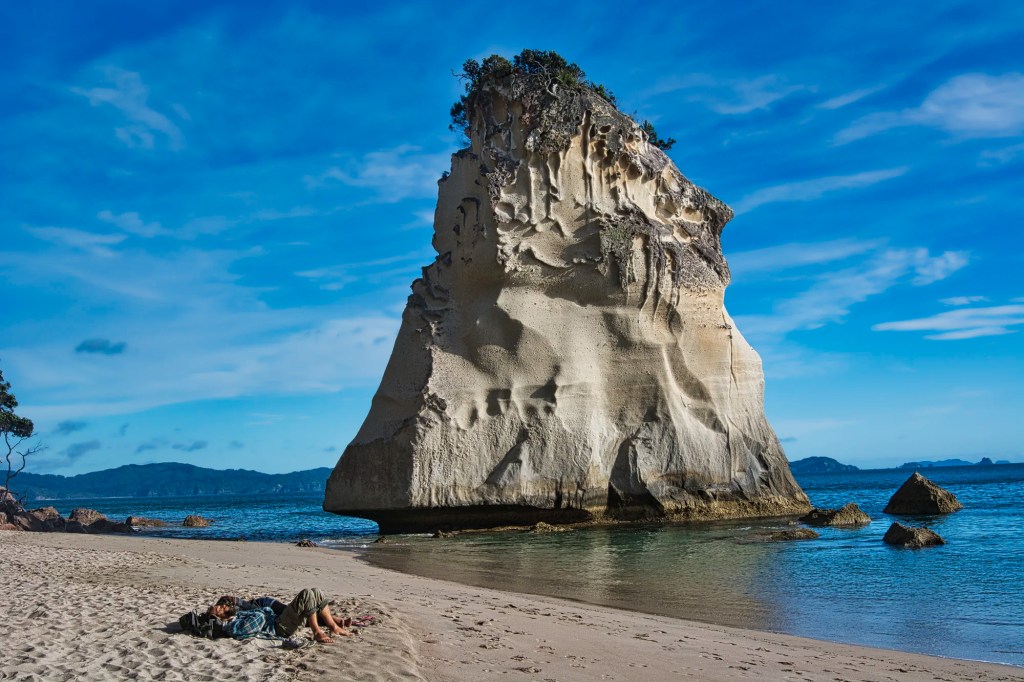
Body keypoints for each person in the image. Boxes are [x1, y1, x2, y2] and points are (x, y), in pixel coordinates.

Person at [209, 588, 353, 643]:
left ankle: (333, 626)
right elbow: (258, 621)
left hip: (277, 620)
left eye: (222, 605)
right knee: (306, 594)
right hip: (278, 626)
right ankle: (317, 631)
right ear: (218, 617)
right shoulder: (232, 624)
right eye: (219, 608)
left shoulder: (236, 615)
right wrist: (262, 611)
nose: (223, 606)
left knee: (316, 592)